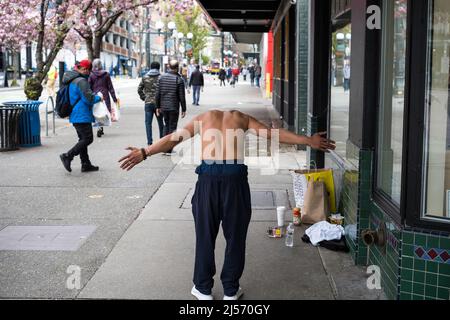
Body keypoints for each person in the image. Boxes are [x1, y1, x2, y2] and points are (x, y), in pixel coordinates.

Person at [118, 109, 336, 300]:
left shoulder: (206, 117)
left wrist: (145, 152)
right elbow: (272, 134)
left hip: (208, 179)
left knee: (205, 235)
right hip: (235, 177)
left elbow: (174, 138)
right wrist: (308, 140)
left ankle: (203, 290)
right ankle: (230, 291)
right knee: (236, 236)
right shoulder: (241, 118)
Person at [59, 59, 103, 173]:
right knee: (88, 139)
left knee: (82, 139)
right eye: (87, 70)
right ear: (85, 69)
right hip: (81, 115)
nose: (88, 72)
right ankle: (68, 156)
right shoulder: (81, 81)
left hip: (75, 114)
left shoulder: (71, 79)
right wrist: (99, 98)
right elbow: (89, 99)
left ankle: (85, 163)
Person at [155, 59, 187, 155]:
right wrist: (184, 109)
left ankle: (164, 148)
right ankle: (169, 149)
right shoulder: (179, 79)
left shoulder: (161, 78)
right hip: (174, 107)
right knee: (172, 127)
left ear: (169, 67)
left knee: (166, 125)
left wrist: (158, 106)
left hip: (164, 107)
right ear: (177, 68)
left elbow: (158, 94)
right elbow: (182, 96)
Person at [88, 58, 118, 138]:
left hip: (95, 95)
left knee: (97, 111)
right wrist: (114, 98)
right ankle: (101, 127)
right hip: (105, 95)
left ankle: (99, 127)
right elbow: (110, 87)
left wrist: (89, 96)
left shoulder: (91, 75)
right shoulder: (106, 74)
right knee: (104, 111)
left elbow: (89, 87)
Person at [138, 61, 164, 146]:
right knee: (160, 123)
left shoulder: (145, 77)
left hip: (148, 103)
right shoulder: (161, 77)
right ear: (158, 68)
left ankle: (150, 142)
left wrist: (144, 98)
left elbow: (139, 89)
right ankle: (161, 141)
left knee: (148, 123)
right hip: (159, 104)